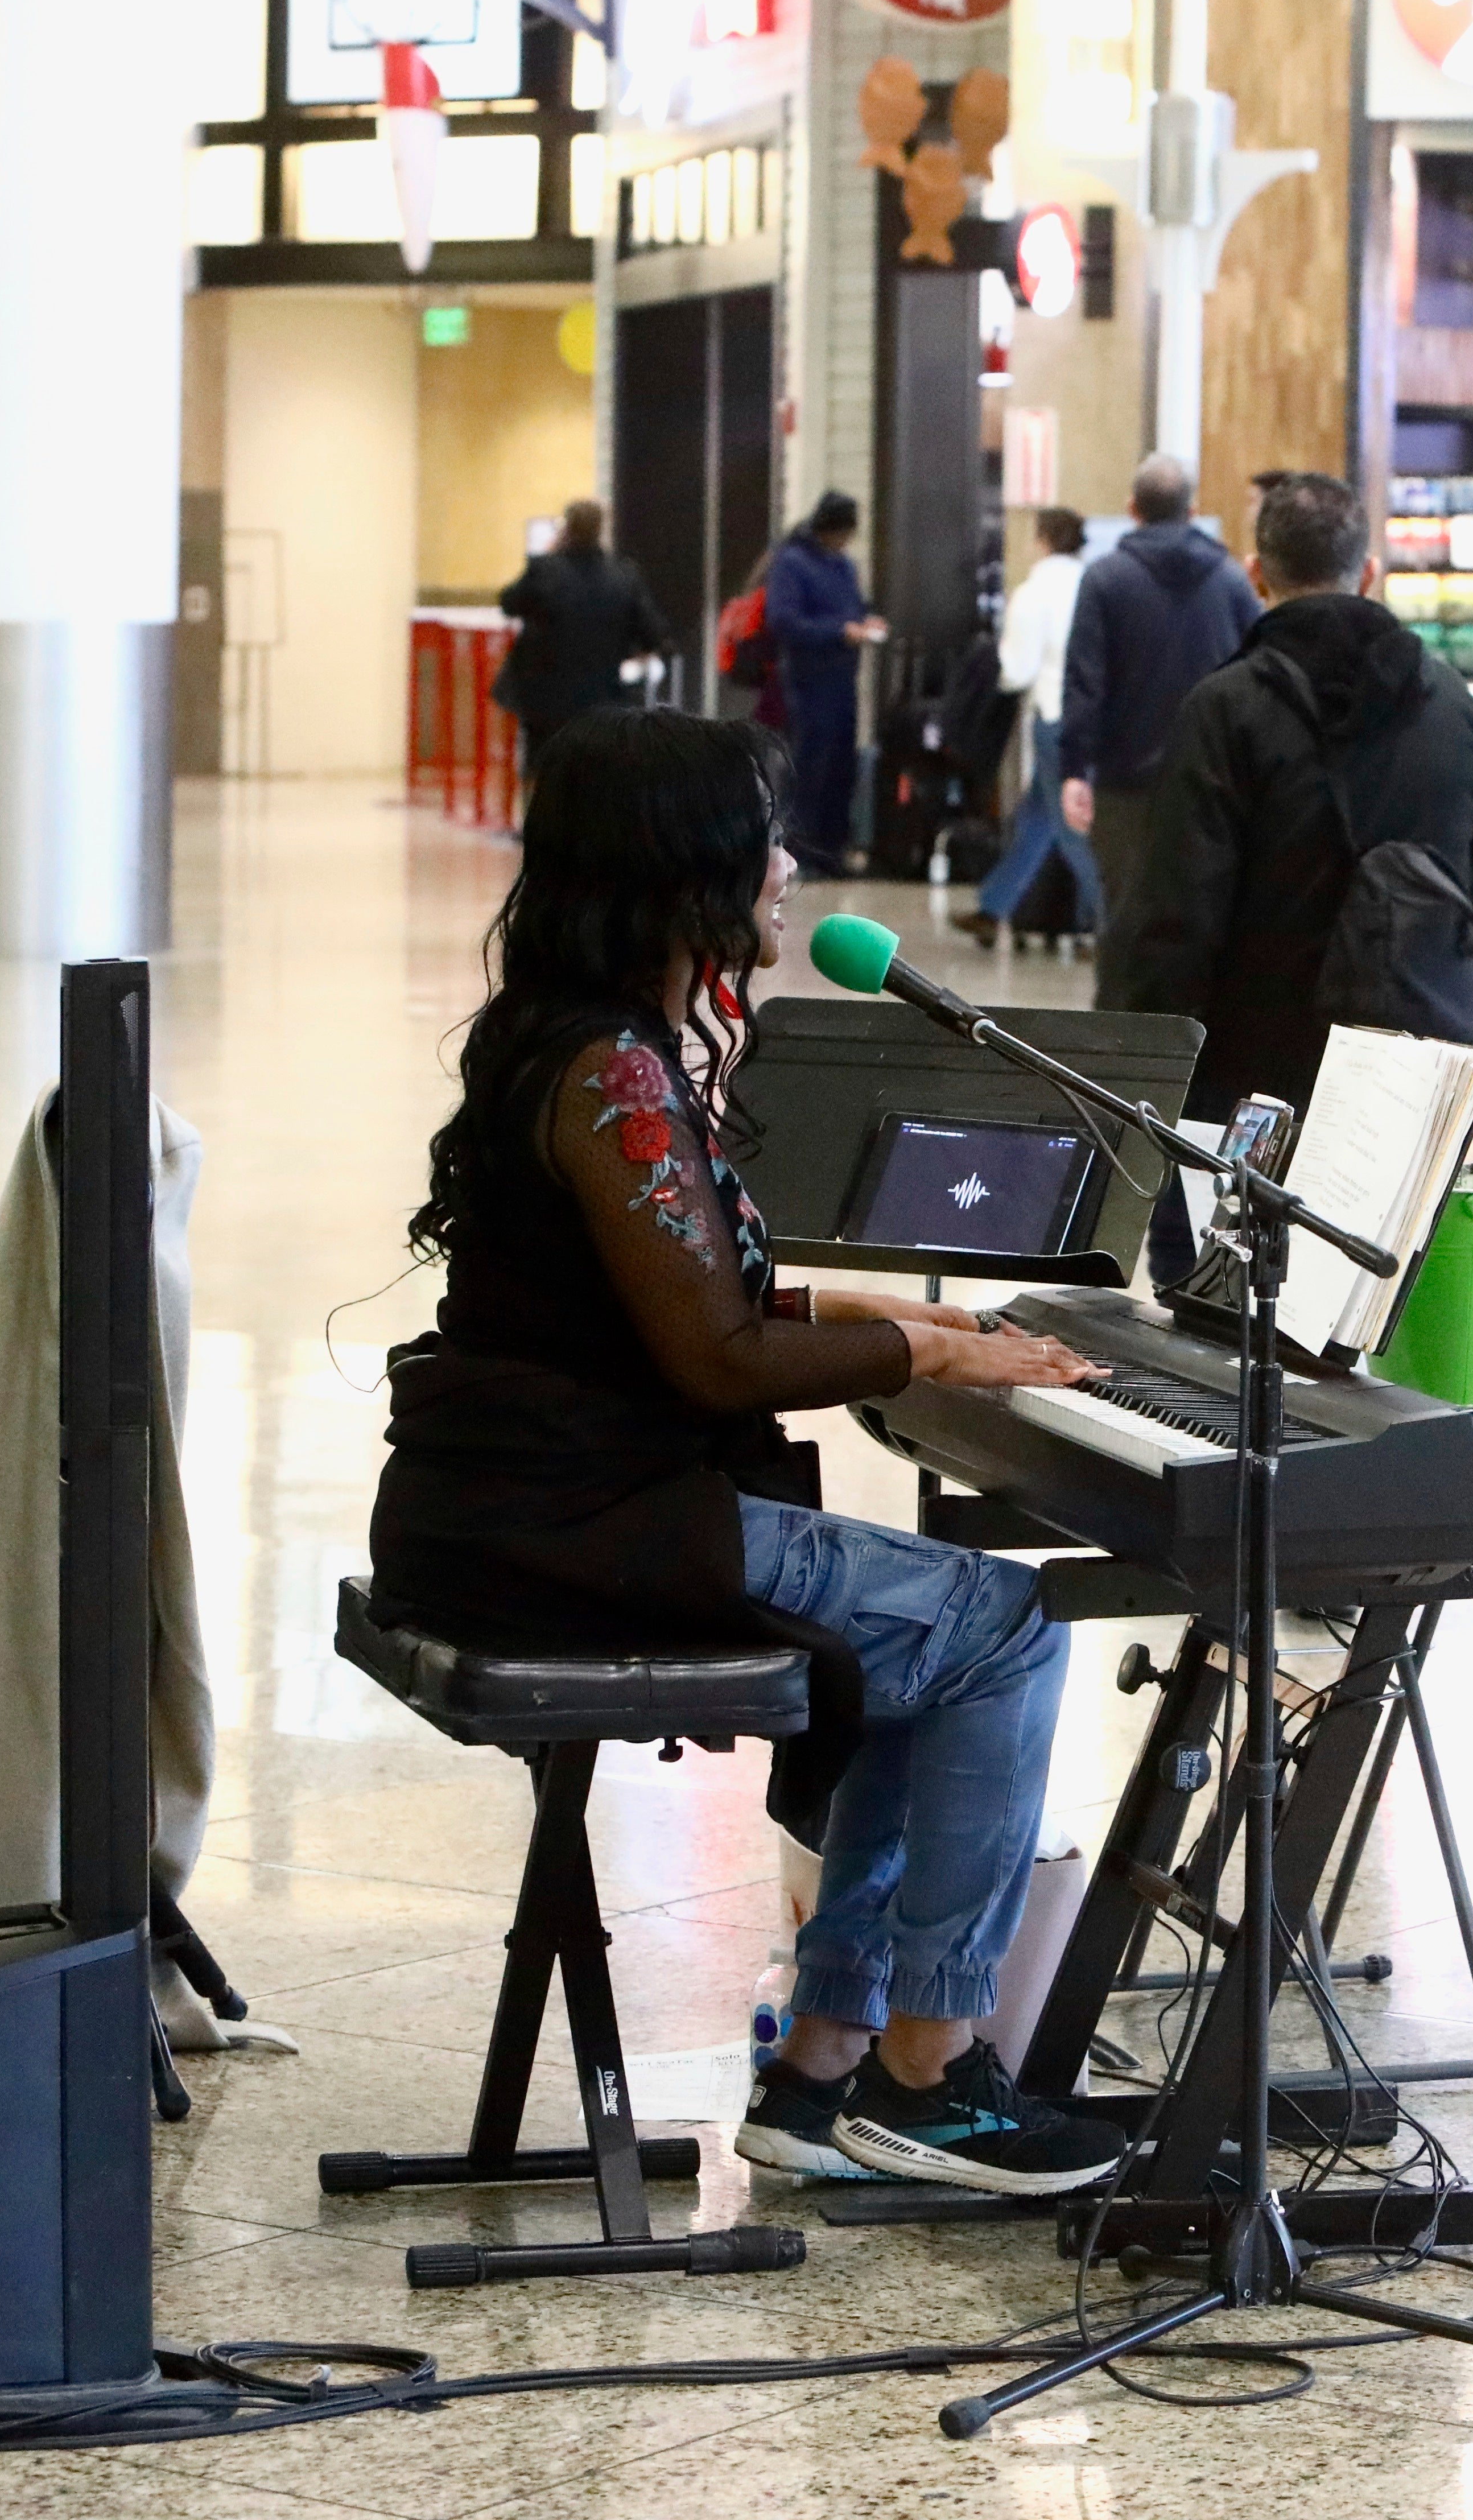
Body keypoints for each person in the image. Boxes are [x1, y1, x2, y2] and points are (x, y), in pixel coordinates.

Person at [368, 708, 1128, 2197]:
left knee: (935, 1642)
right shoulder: (618, 1078)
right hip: (574, 1530)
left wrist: (903, 1316)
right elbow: (713, 1355)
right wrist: (933, 1349)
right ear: (683, 870)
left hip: (526, 1512)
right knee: (1010, 1631)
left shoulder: (592, 1046)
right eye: (762, 838)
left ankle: (827, 2065)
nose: (790, 865)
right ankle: (931, 2071)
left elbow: (682, 1295)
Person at [1113, 470, 1473, 1127]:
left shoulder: (1224, 711)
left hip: (1246, 1089)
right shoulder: (1454, 710)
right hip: (1408, 1080)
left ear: (1255, 575)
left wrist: (1153, 1084)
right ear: (1370, 572)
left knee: (1226, 1236)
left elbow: (1174, 920)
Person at [1061, 454, 1258, 1004]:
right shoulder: (1231, 581)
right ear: (1193, 510)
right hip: (1214, 785)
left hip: (1125, 785)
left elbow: (1085, 684)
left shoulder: (1104, 580)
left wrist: (1076, 769)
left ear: (1132, 510)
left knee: (1123, 916)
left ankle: (1118, 1043)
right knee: (1207, 915)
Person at [968, 507, 1096, 939]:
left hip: (1053, 718)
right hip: (1091, 718)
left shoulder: (1034, 592)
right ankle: (993, 907)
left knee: (1069, 830)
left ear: (1042, 540)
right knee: (1038, 818)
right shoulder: (1093, 583)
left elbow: (1017, 670)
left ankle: (1109, 923)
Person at [497, 499, 671, 761]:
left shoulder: (545, 571)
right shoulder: (624, 577)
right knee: (597, 772)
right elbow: (654, 634)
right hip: (605, 700)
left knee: (544, 770)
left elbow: (509, 603)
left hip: (546, 703)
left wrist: (551, 553)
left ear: (567, 529)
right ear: (601, 530)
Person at [765, 492, 886, 871]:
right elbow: (783, 621)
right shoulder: (792, 564)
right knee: (809, 766)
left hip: (843, 680)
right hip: (807, 681)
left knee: (840, 766)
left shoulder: (843, 566)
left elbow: (852, 605)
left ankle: (832, 849)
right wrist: (838, 631)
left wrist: (865, 621)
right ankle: (799, 850)